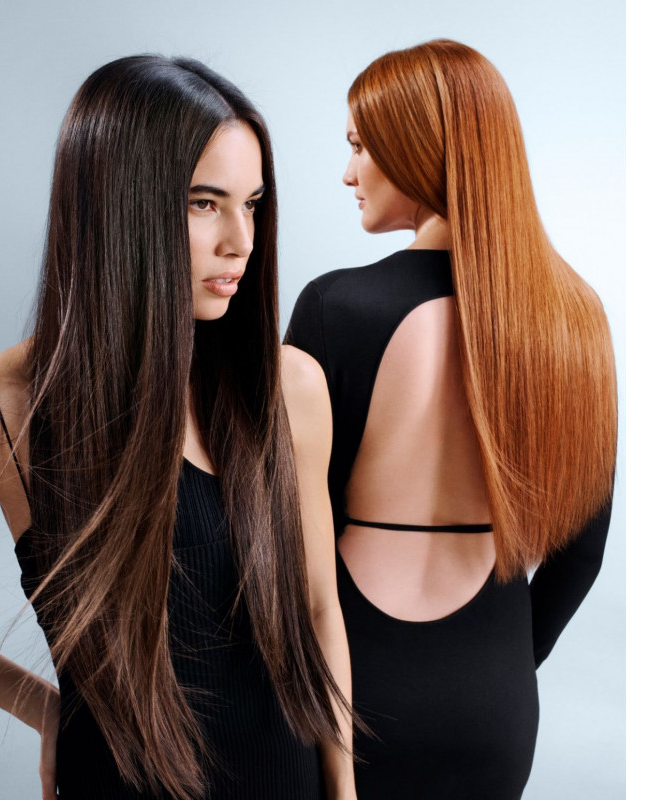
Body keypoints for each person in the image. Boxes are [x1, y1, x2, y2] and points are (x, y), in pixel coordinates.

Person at [0, 56, 355, 800]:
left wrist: (344, 789)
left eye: (253, 203)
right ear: (119, 206)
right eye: (204, 203)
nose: (241, 239)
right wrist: (40, 706)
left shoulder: (288, 387)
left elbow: (317, 609)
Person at [286, 39, 617, 799]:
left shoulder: (334, 307)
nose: (347, 174)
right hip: (493, 697)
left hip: (352, 690)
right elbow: (582, 554)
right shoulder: (573, 320)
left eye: (360, 146)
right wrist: (502, 663)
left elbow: (289, 536)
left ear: (416, 148)